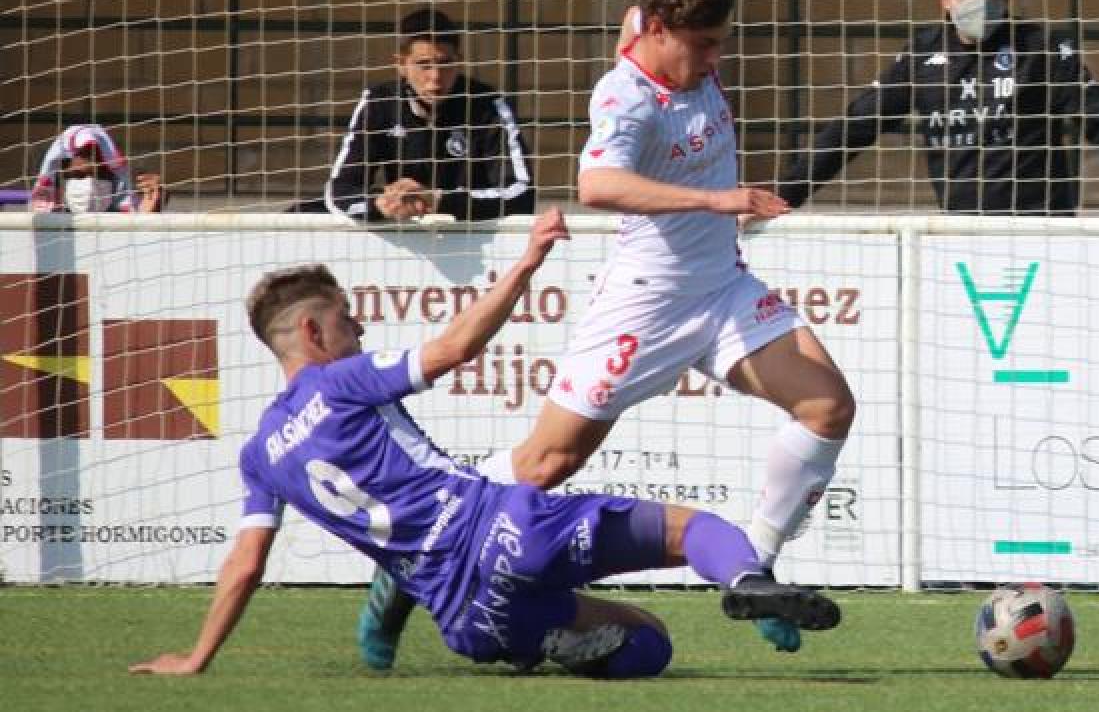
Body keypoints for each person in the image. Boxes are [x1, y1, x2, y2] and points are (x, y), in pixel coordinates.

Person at [360, 0, 856, 665]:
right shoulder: (623, 97)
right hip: (645, 306)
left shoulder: (656, 32)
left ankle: (758, 575)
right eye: (705, 45)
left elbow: (646, 6)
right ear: (657, 30)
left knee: (828, 407)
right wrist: (718, 198)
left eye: (720, 42)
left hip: (722, 289)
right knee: (544, 464)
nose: (716, 60)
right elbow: (598, 184)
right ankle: (402, 569)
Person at [127, 207, 840, 679]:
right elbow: (453, 348)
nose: (360, 331)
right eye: (347, 320)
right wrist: (526, 264)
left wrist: (196, 657)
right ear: (313, 334)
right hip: (504, 527)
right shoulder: (339, 382)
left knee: (647, 644)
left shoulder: (260, 457)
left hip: (464, 615)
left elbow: (245, 564)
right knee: (700, 535)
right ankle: (746, 579)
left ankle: (553, 641)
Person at [779, 0, 1099, 224]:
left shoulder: (1039, 49)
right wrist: (786, 196)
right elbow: (856, 126)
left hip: (1041, 230)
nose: (981, 5)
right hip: (962, 232)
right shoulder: (922, 56)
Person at [320, 8, 535, 222]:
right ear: (401, 64)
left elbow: (521, 193)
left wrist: (437, 200)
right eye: (424, 65)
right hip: (403, 232)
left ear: (458, 60)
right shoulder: (379, 103)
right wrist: (380, 205)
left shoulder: (487, 105)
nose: (436, 77)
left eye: (445, 64)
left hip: (470, 232)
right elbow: (339, 189)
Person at [30, 124, 165, 213]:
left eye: (100, 176)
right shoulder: (38, 229)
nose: (90, 186)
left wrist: (149, 217)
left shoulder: (123, 226)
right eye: (78, 176)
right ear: (58, 178)